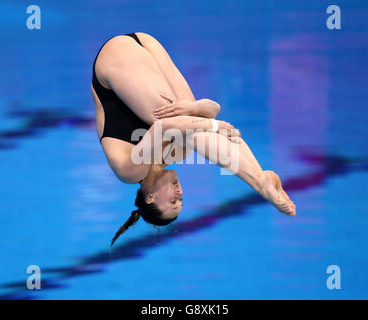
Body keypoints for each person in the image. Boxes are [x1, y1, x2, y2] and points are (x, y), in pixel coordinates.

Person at [91, 32, 296, 247]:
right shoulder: (178, 153)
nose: (180, 193)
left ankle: (258, 182)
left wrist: (211, 124)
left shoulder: (130, 173)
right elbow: (213, 108)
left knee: (187, 125)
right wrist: (196, 108)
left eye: (173, 200)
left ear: (150, 197)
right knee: (191, 126)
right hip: (145, 42)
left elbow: (163, 127)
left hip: (115, 56)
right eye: (181, 200)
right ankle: (260, 175)